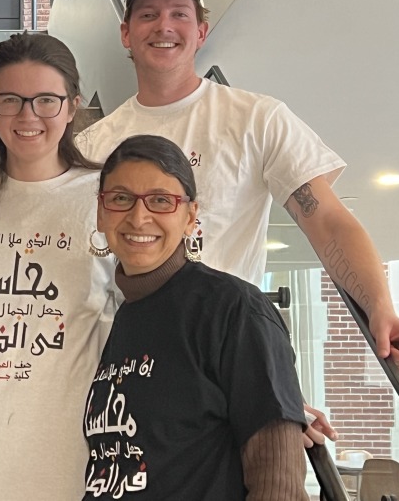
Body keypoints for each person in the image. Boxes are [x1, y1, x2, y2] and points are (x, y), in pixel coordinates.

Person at [77, 0, 399, 372]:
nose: (163, 26)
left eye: (179, 14)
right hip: (127, 363)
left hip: (227, 355)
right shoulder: (92, 144)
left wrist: (379, 306)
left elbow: (327, 219)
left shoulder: (257, 118)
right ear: (126, 34)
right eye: (148, 15)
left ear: (201, 32)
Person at [0, 33, 117, 500]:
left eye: (46, 100)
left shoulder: (106, 198)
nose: (27, 116)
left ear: (72, 107)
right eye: (10, 100)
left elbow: (163, 310)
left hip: (66, 447)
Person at [84, 134, 308, 500]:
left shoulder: (232, 308)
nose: (139, 217)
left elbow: (277, 480)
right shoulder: (120, 317)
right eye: (121, 198)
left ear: (190, 217)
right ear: (100, 210)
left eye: (160, 201)